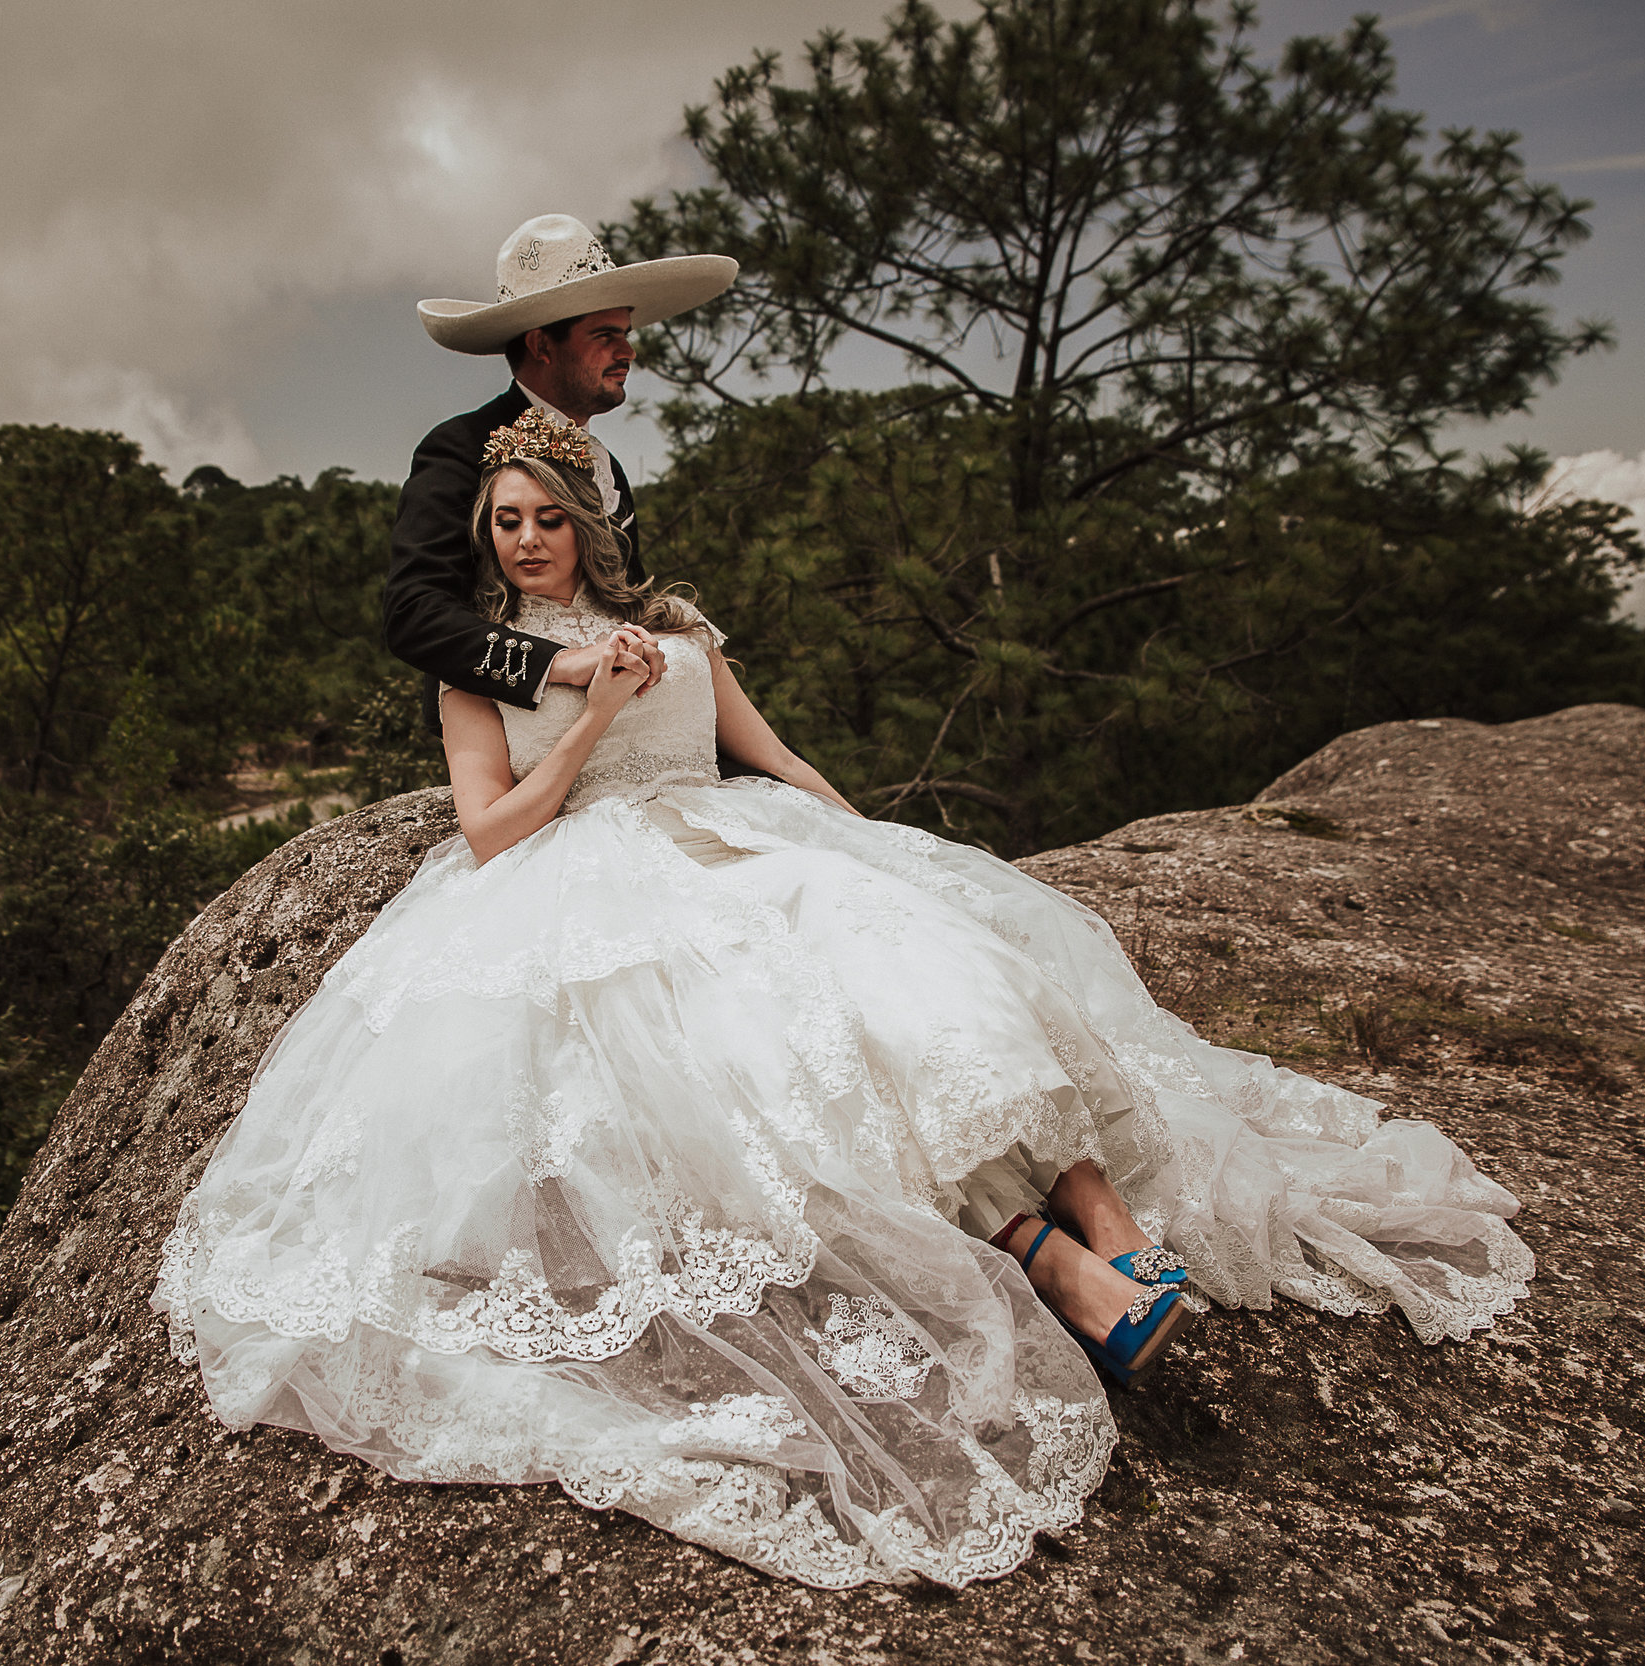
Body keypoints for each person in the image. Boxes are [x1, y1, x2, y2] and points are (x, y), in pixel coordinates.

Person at [152, 401, 1535, 1588]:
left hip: (744, 849)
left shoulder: (676, 624)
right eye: (503, 520)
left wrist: (874, 849)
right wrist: (582, 718)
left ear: (588, 523)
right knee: (779, 1070)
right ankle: (1052, 1262)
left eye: (545, 518)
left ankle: (1105, 1221)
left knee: (932, 988)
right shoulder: (481, 663)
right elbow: (493, 832)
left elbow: (770, 752)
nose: (522, 539)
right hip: (593, 878)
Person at [383, 212, 733, 726]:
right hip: (513, 730)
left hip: (629, 720)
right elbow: (414, 614)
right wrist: (559, 663)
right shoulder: (459, 447)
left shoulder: (606, 466)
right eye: (605, 335)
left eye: (626, 333)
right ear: (542, 345)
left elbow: (622, 600)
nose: (628, 351)